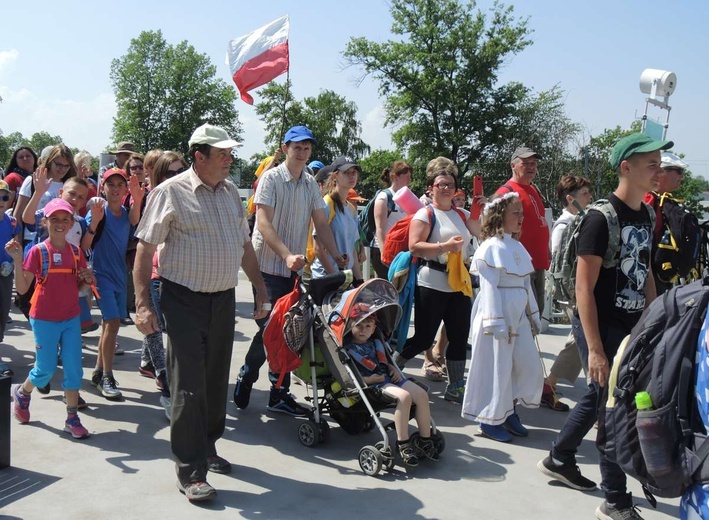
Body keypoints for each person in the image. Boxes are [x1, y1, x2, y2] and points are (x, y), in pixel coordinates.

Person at [538, 132, 672, 520]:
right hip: (599, 326)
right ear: (626, 168)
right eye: (652, 165)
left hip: (632, 327)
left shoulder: (646, 214)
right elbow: (584, 288)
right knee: (613, 410)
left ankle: (560, 457)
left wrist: (653, 321)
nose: (658, 172)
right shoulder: (600, 218)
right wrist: (594, 350)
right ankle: (615, 500)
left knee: (601, 397)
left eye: (660, 165)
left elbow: (645, 272)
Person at [133, 123, 269, 501]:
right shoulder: (169, 193)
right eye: (222, 153)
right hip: (182, 299)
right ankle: (191, 470)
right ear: (199, 156)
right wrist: (143, 304)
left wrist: (259, 287)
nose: (229, 158)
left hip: (223, 299)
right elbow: (144, 252)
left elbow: (244, 244)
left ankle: (208, 447)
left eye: (230, 152)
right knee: (188, 385)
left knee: (212, 380)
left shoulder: (229, 194)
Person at [233, 125, 346, 416]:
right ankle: (249, 374)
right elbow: (263, 223)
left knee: (289, 333)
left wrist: (337, 255)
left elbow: (321, 224)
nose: (302, 151)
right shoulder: (271, 179)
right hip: (267, 268)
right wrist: (285, 255)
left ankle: (277, 392)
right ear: (285, 148)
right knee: (271, 329)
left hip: (293, 270)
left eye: (307, 147)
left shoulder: (310, 183)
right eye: (297, 146)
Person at [7, 198, 96, 439]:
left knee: (74, 369)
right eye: (54, 219)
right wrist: (17, 260)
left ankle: (71, 417)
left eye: (65, 219)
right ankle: (23, 393)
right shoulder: (37, 251)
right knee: (44, 369)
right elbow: (24, 288)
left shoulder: (76, 253)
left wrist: (86, 279)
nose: (60, 223)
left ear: (71, 223)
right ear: (45, 222)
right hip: (44, 318)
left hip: (70, 318)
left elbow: (78, 287)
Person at [393, 158, 479, 404]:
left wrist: (480, 209)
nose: (446, 188)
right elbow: (415, 247)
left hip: (459, 284)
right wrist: (444, 246)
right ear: (431, 188)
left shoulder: (462, 215)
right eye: (441, 184)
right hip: (432, 282)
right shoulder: (425, 213)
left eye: (450, 185)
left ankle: (456, 386)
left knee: (459, 336)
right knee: (423, 337)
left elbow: (481, 231)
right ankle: (391, 368)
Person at [461, 192, 543, 442]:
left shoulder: (517, 246)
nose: (521, 218)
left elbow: (526, 285)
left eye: (521, 214)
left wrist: (534, 316)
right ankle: (489, 418)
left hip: (518, 318)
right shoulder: (489, 248)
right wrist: (495, 321)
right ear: (499, 216)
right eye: (515, 213)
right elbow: (488, 288)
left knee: (525, 365)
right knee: (496, 368)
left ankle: (508, 410)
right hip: (496, 318)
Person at [345, 313, 438, 466]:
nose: (363, 330)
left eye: (368, 326)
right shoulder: (348, 349)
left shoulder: (376, 343)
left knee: (421, 395)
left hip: (389, 377)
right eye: (359, 326)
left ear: (374, 328)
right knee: (404, 397)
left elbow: (384, 362)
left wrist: (392, 368)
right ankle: (403, 443)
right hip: (373, 384)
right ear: (350, 326)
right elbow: (350, 378)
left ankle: (425, 440)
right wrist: (371, 380)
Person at [83, 168, 143, 400]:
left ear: (125, 189)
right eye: (111, 184)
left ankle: (99, 372)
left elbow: (134, 221)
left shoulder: (127, 212)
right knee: (113, 322)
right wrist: (94, 222)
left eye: (120, 185)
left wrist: (137, 200)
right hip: (101, 276)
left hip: (120, 275)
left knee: (110, 327)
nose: (116, 189)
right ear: (103, 188)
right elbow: (85, 243)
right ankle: (107, 375)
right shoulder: (98, 211)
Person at [137, 151, 188, 418]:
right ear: (159, 175)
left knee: (169, 335)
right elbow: (144, 248)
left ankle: (149, 363)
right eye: (171, 173)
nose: (178, 178)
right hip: (159, 274)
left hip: (184, 277)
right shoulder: (157, 196)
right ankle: (166, 386)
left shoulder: (192, 196)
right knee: (156, 330)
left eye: (182, 171)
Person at [542, 175, 594, 412]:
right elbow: (558, 261)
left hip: (576, 292)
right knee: (584, 339)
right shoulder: (565, 226)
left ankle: (549, 385)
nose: (590, 197)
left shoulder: (579, 221)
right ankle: (596, 392)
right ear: (570, 198)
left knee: (577, 340)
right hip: (572, 294)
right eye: (585, 194)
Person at [494, 146, 549, 314]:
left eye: (534, 163)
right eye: (526, 163)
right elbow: (493, 228)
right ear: (513, 165)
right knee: (525, 317)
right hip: (519, 265)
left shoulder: (533, 189)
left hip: (537, 264)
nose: (531, 167)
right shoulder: (506, 192)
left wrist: (546, 250)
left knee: (536, 314)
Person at [643, 152, 690, 295]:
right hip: (650, 278)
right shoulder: (647, 199)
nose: (681, 176)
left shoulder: (665, 201)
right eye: (679, 171)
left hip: (664, 275)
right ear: (662, 172)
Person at [311, 156, 364, 282]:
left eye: (354, 172)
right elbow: (318, 249)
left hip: (344, 278)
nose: (352, 176)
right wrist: (335, 277)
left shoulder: (351, 209)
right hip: (325, 278)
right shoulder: (326, 204)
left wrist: (359, 280)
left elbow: (351, 249)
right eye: (346, 172)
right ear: (335, 176)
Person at [370, 160, 412, 278]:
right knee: (385, 287)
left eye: (410, 176)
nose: (409, 179)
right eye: (406, 176)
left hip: (399, 250)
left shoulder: (407, 197)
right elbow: (380, 228)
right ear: (395, 177)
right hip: (383, 249)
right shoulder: (384, 197)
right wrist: (384, 252)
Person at [0, 181, 21, 377]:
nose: (0, 200)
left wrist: (13, 262)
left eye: (4, 196)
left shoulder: (12, 222)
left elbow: (16, 243)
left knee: (3, 310)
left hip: (5, 274)